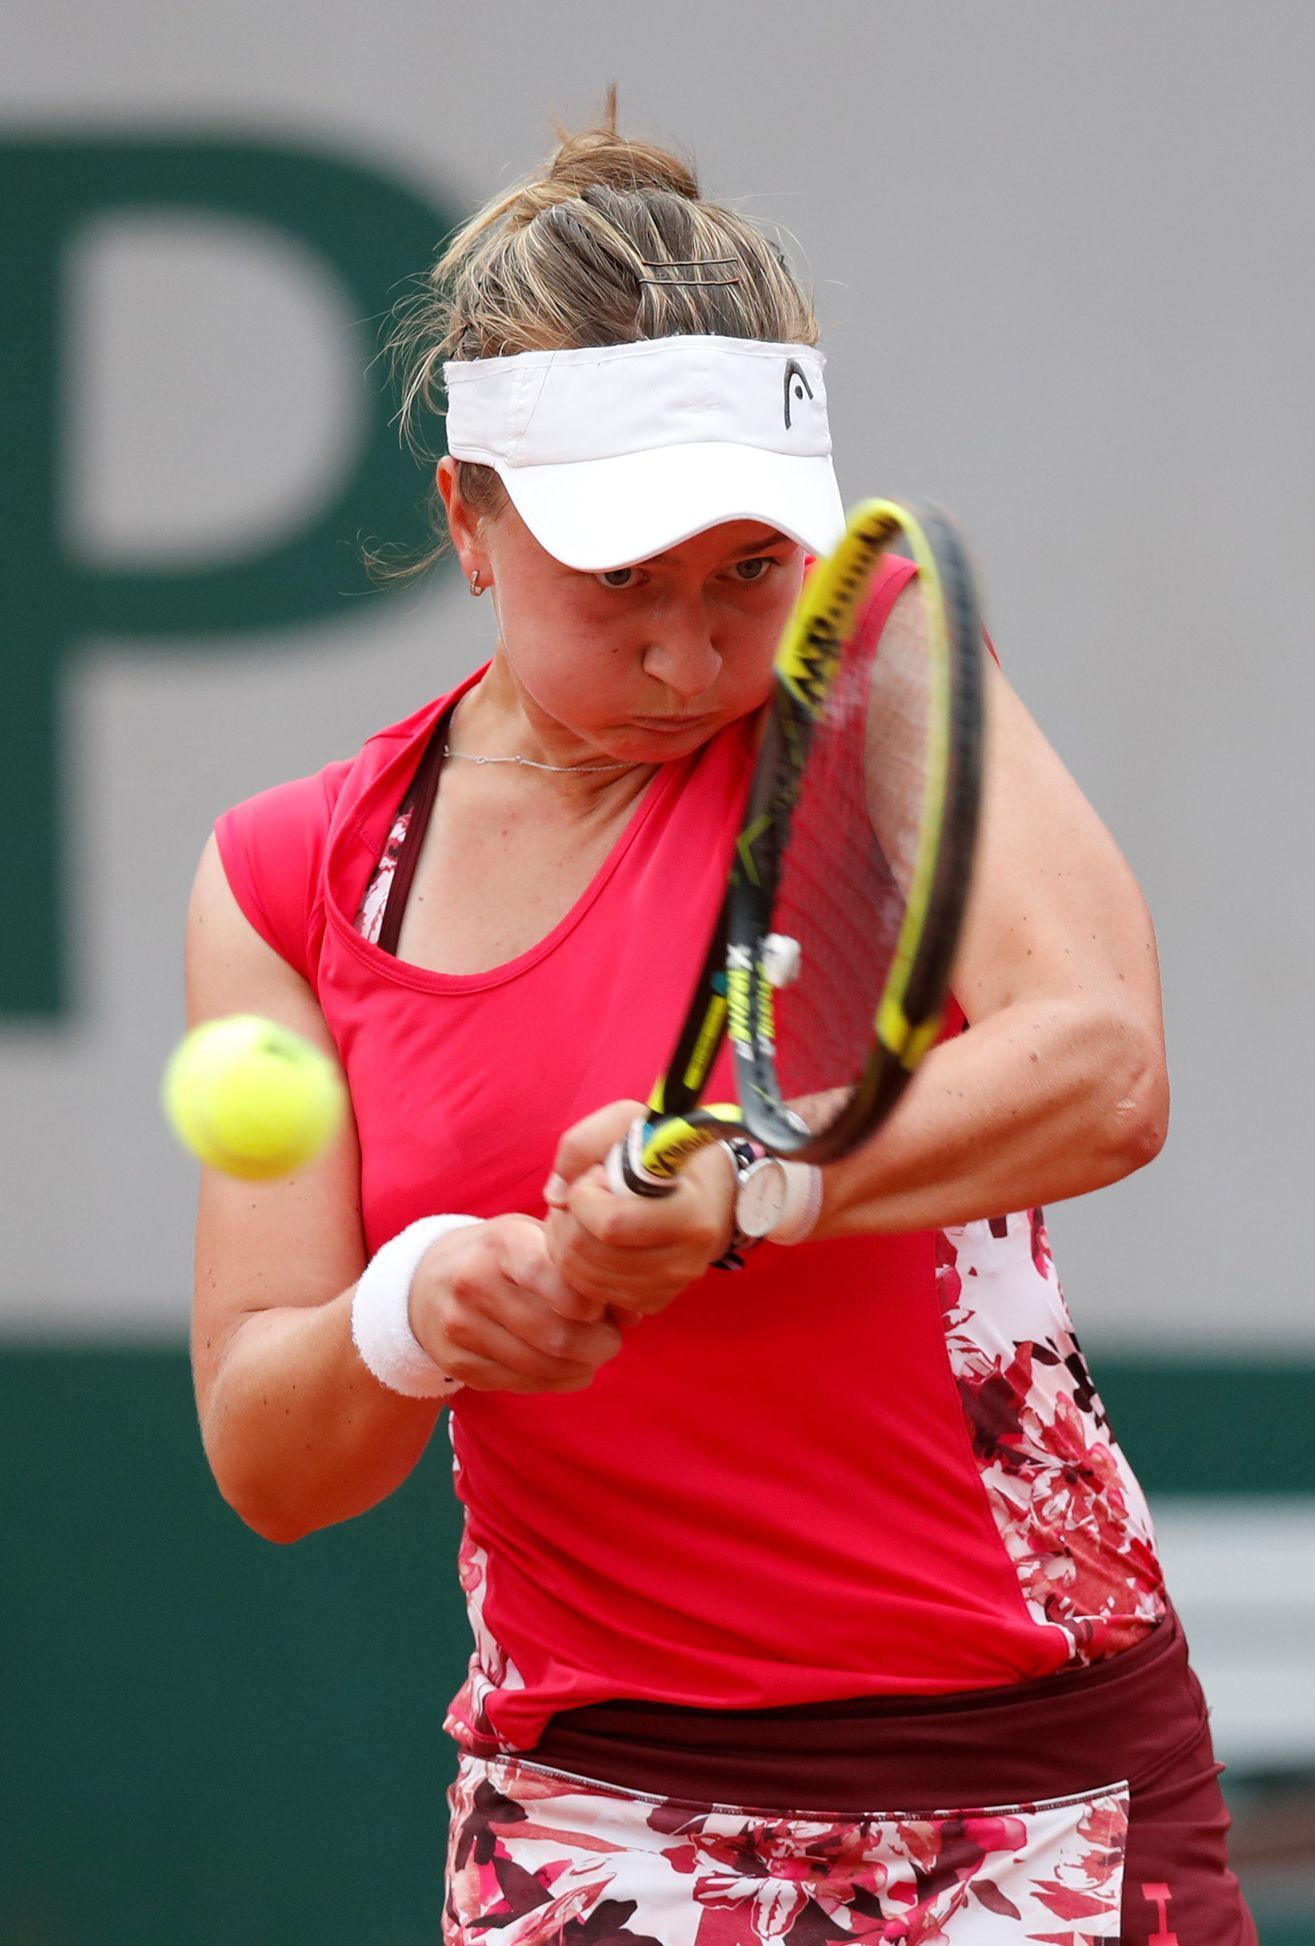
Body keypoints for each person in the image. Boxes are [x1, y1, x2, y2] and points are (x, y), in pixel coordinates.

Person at [187, 106, 1256, 1944]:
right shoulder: (296, 877)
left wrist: (757, 1181)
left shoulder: (885, 667)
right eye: (622, 586)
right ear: (470, 521)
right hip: (594, 1811)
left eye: (747, 571)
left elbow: (1105, 1063)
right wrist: (416, 1301)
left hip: (1037, 1781)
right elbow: (276, 1459)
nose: (690, 656)